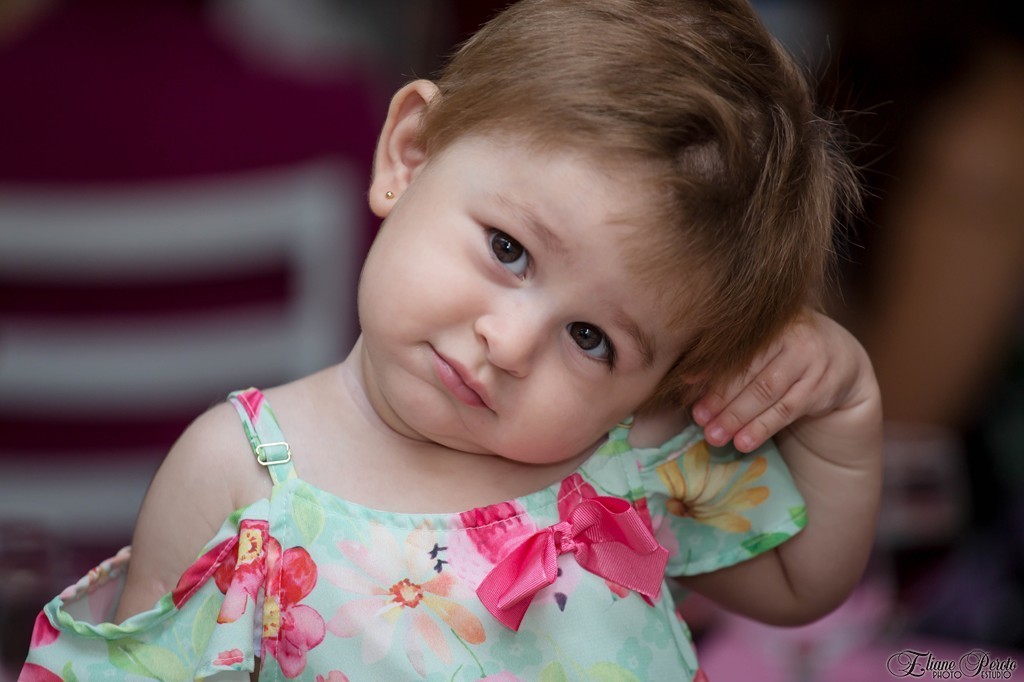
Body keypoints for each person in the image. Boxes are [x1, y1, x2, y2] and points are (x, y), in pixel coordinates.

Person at [19, 0, 881, 679]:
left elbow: (803, 582)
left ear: (662, 376)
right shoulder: (240, 476)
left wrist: (845, 416)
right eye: (508, 250)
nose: (508, 343)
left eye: (592, 339)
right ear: (409, 154)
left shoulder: (626, 464)